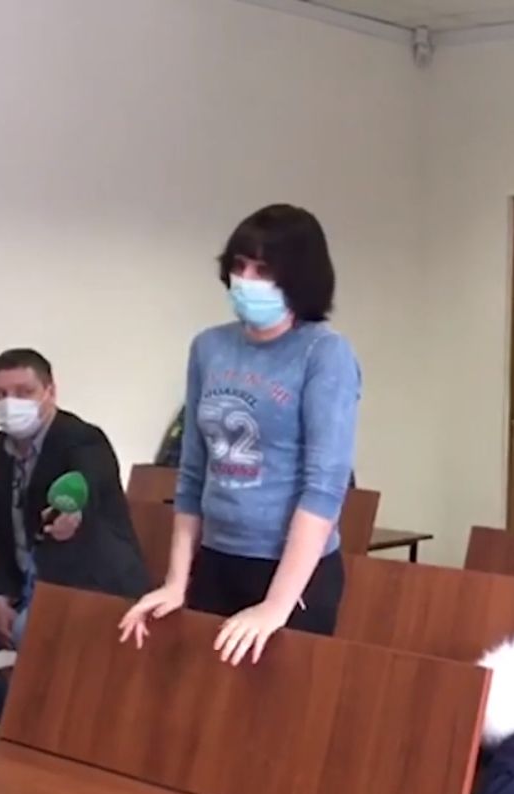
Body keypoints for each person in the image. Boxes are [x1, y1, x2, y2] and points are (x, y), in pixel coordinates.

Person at [118, 204, 361, 665]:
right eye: (239, 265)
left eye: (263, 270)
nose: (245, 279)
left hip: (291, 572)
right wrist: (176, 580)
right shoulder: (209, 346)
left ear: (298, 277)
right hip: (217, 558)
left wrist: (276, 606)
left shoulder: (325, 353)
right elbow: (193, 473)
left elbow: (324, 489)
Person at [0, 348, 151, 722]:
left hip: (86, 579)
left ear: (50, 391)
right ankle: (19, 721)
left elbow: (88, 484)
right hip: (20, 580)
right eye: (0, 394)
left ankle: (50, 727)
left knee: (28, 629)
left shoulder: (82, 439)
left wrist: (72, 514)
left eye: (24, 392)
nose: (10, 403)